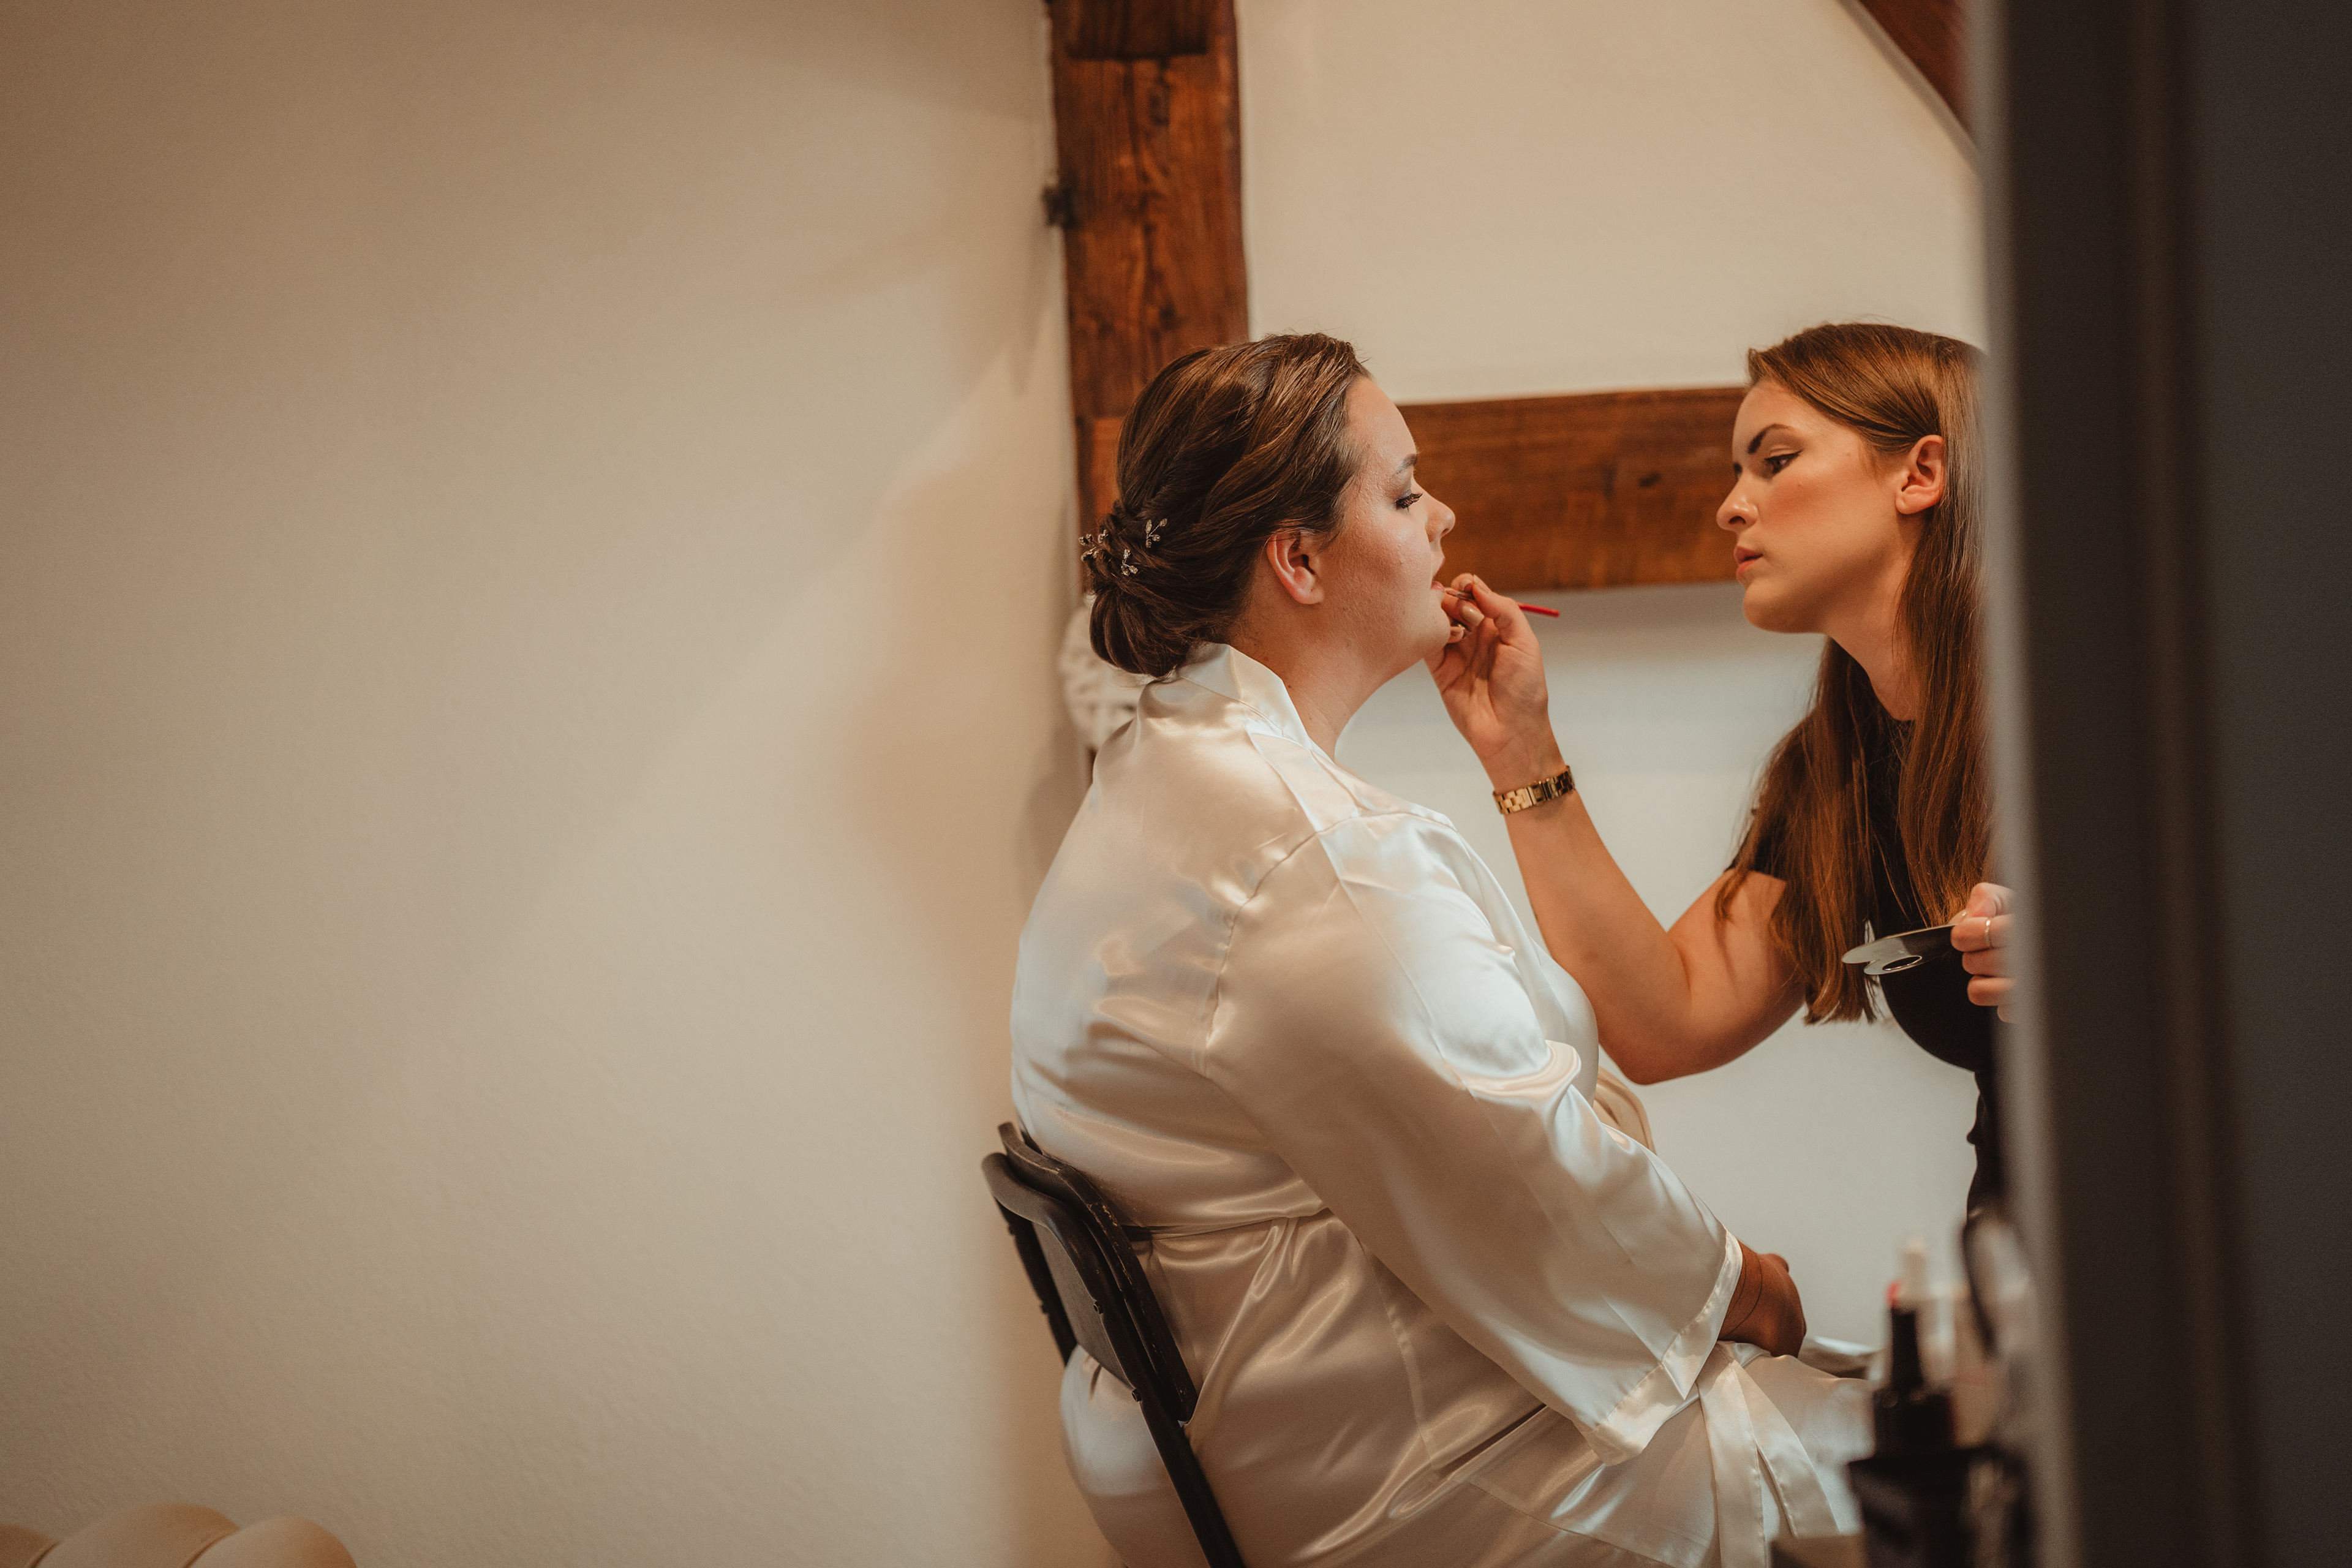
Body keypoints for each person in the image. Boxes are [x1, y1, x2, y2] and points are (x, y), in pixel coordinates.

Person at [1011, 333, 1868, 1568]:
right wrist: (1747, 1286)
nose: (1445, 516)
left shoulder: (1155, 777)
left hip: (1237, 1450)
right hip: (1405, 1479)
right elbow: (1534, 1184)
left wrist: (1520, 748)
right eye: (1407, 492)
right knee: (1961, 1462)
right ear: (1299, 558)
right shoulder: (1313, 858)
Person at [1432, 322, 2015, 1212]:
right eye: (1739, 472)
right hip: (2023, 1247)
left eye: (1775, 462)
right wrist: (1521, 748)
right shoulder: (1838, 767)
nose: (1731, 508)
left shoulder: (2104, 715)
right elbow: (1671, 1023)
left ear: (1920, 474)